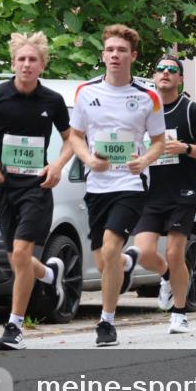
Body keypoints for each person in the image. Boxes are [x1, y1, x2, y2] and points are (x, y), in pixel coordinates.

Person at [0, 31, 73, 351]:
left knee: (23, 253)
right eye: (21, 59)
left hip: (37, 188)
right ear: (13, 63)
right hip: (5, 188)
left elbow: (71, 140)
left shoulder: (52, 101)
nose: (26, 65)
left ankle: (14, 326)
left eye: (33, 60)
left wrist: (56, 166)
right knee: (17, 258)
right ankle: (50, 275)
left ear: (42, 64)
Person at [69, 24, 165, 346]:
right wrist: (89, 160)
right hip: (97, 185)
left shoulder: (147, 97)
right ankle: (127, 262)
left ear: (132, 56)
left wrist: (145, 160)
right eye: (109, 50)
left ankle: (106, 322)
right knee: (103, 261)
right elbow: (76, 137)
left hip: (131, 182)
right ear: (103, 55)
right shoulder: (86, 92)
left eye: (121, 50)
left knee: (110, 247)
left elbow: (159, 142)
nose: (114, 55)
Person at [128, 54, 196, 335]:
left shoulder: (190, 110)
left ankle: (179, 313)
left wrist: (186, 148)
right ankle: (167, 276)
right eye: (160, 69)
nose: (165, 73)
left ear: (180, 79)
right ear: (154, 77)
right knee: (143, 253)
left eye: (172, 70)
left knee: (176, 252)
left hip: (182, 192)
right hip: (150, 193)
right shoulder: (144, 110)